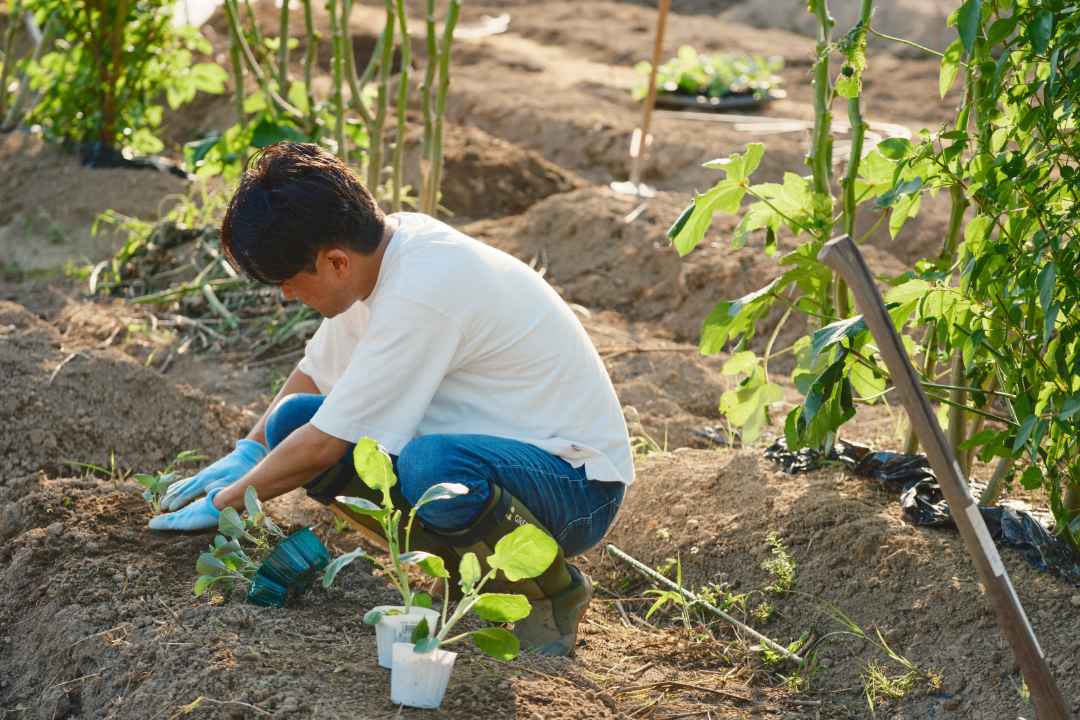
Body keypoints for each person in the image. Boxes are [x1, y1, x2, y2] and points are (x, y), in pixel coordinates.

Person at [148, 142, 634, 656]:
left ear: (335, 261)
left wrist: (225, 504)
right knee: (291, 420)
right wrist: (248, 452)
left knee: (433, 467)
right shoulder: (379, 259)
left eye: (288, 281)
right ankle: (460, 568)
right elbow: (313, 376)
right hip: (502, 462)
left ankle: (551, 593)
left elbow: (323, 446)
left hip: (577, 486)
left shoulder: (424, 288)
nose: (286, 295)